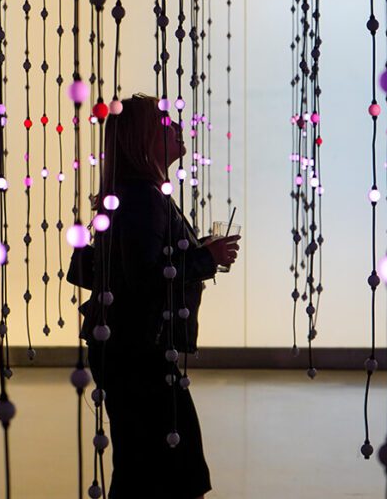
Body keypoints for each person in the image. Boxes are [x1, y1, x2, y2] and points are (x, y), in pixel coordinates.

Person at [78, 94, 240, 499]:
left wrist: (195, 251)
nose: (177, 127)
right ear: (145, 139)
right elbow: (144, 278)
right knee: (168, 471)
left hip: (128, 350)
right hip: (139, 355)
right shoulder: (142, 198)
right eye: (166, 124)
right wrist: (204, 259)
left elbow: (141, 262)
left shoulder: (133, 193)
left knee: (143, 467)